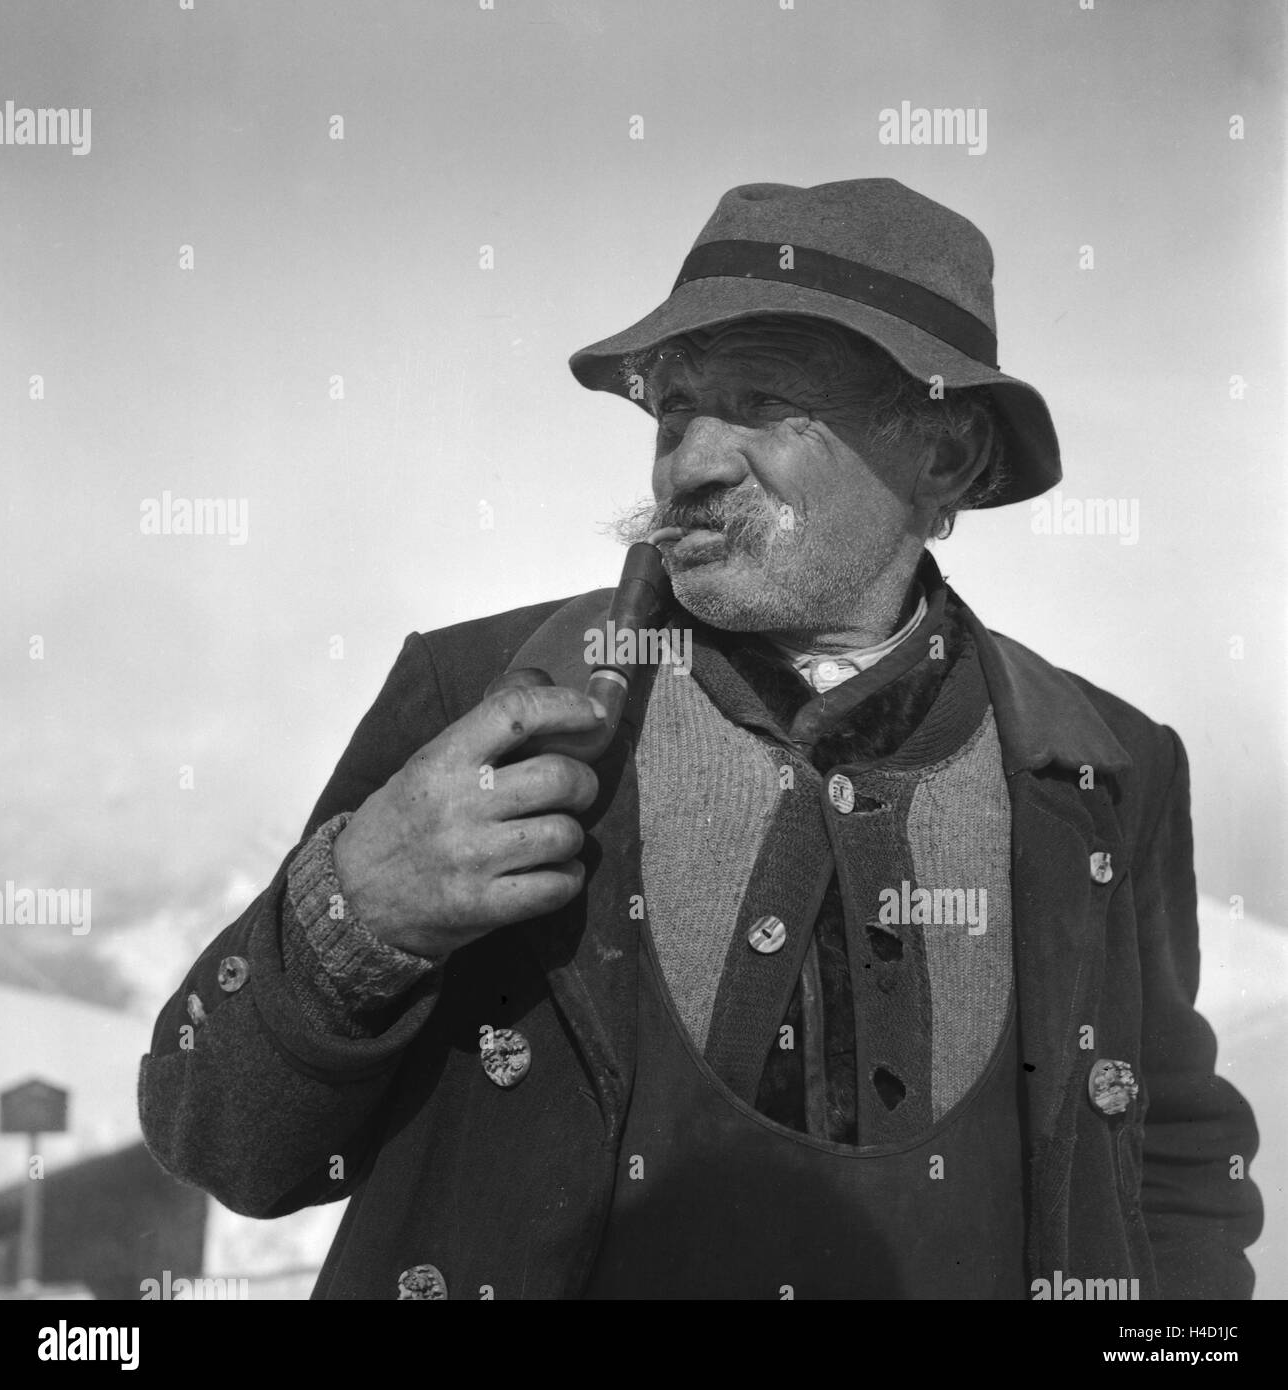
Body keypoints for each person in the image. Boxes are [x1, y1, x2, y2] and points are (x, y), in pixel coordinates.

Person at [139, 178, 1261, 1300]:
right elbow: (221, 1141)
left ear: (949, 456)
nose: (690, 465)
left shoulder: (1104, 767)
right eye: (676, 410)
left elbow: (1168, 1163)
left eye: (768, 404)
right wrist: (355, 913)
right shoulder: (484, 698)